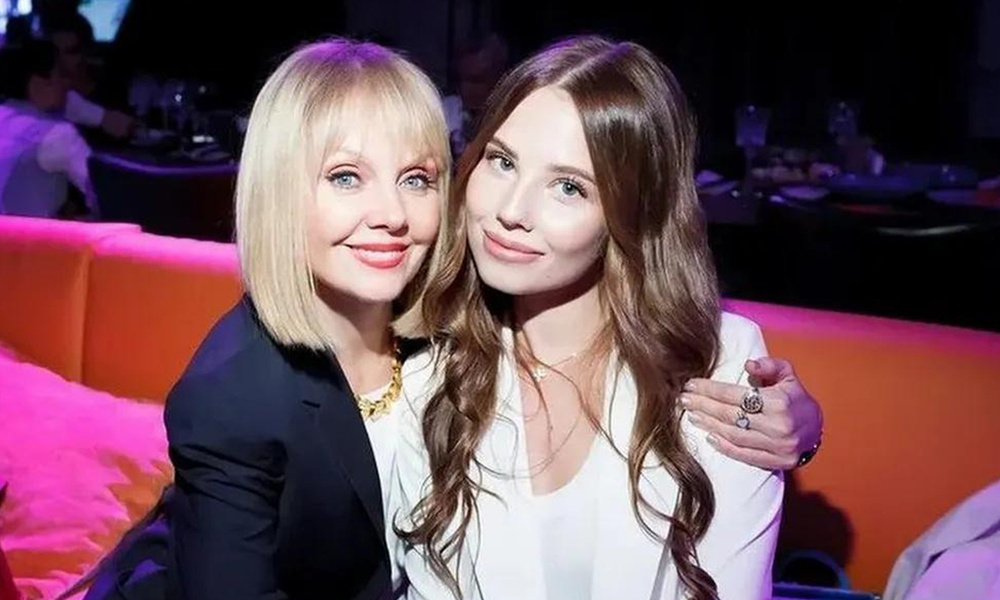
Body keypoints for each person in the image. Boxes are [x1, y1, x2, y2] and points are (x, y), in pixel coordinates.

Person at [395, 36, 791, 600]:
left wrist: (803, 437)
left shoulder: (718, 364)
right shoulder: (429, 370)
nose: (511, 211)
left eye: (568, 187)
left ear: (633, 212)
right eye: (502, 162)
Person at [76, 38, 451, 600]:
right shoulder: (232, 400)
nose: (393, 215)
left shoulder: (452, 339)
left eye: (415, 179)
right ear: (280, 193)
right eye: (346, 177)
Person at [0, 39, 96, 216]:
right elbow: (105, 194)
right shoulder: (58, 135)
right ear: (38, 83)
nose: (67, 84)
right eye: (61, 75)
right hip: (25, 234)